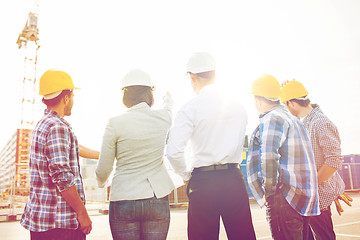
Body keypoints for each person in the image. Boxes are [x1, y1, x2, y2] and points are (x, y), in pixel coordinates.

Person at [166, 52, 256, 240]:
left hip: (203, 182)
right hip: (234, 178)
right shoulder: (238, 106)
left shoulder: (190, 108)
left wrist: (185, 176)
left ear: (192, 78)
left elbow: (174, 151)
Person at [95, 69, 175, 240]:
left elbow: (104, 169)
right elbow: (168, 109)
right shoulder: (163, 118)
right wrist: (167, 99)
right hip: (156, 197)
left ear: (125, 96)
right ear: (149, 95)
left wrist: (101, 183)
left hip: (124, 198)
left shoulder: (114, 123)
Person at [20, 69, 100, 240]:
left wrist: (103, 155)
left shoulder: (43, 124)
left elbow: (73, 148)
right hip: (59, 225)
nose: (73, 101)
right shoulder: (58, 127)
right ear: (66, 98)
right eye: (72, 97)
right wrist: (82, 213)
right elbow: (62, 176)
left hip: (43, 222)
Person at [247, 74, 320, 240]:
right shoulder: (294, 119)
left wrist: (269, 191)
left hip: (284, 199)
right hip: (301, 199)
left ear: (258, 99)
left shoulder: (272, 118)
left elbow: (268, 156)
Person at [280, 80, 352, 239]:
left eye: (285, 105)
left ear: (291, 103)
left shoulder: (320, 123)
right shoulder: (303, 123)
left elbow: (333, 161)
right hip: (307, 199)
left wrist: (310, 186)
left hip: (317, 199)